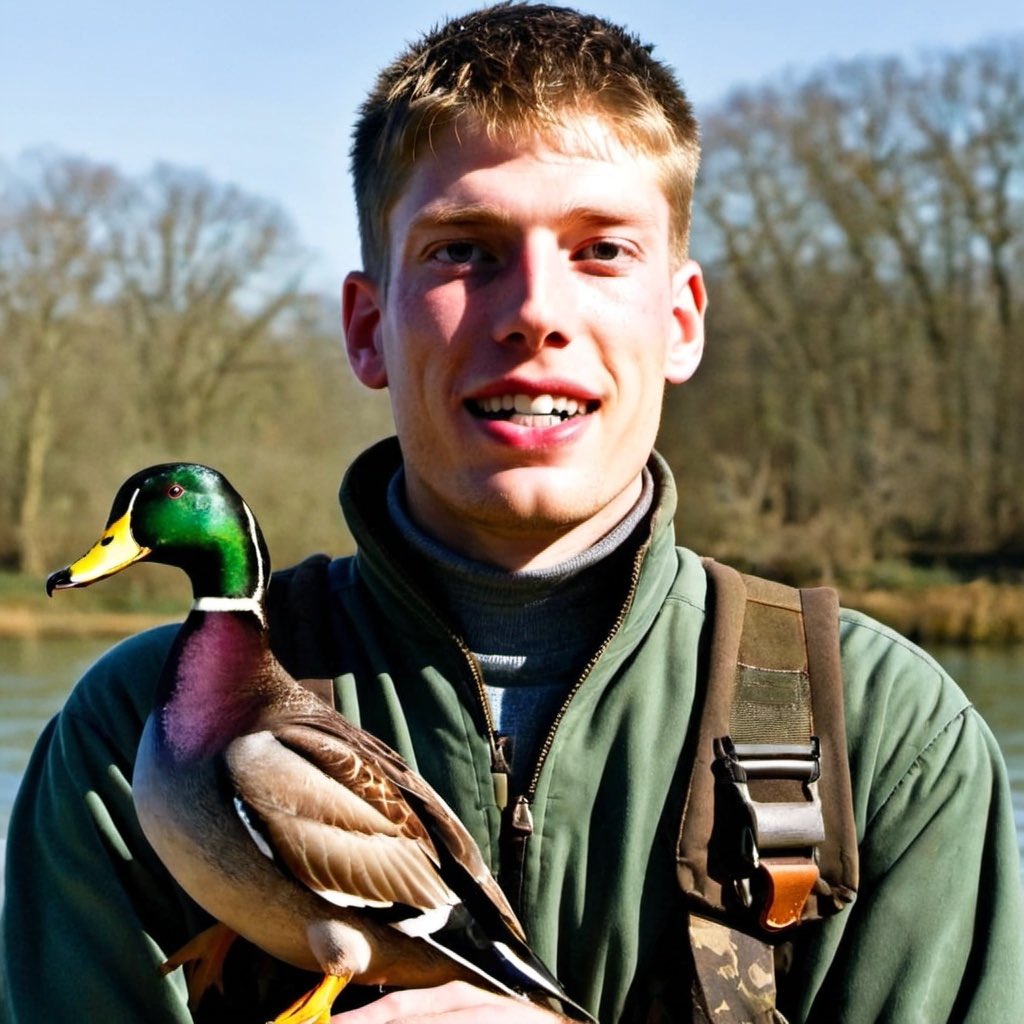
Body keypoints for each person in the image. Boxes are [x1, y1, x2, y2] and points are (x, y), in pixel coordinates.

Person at [3, 4, 1023, 1022]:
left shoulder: (884, 738)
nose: (535, 311)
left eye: (602, 250)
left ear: (679, 320)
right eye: (462, 249)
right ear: (367, 328)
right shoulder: (119, 741)